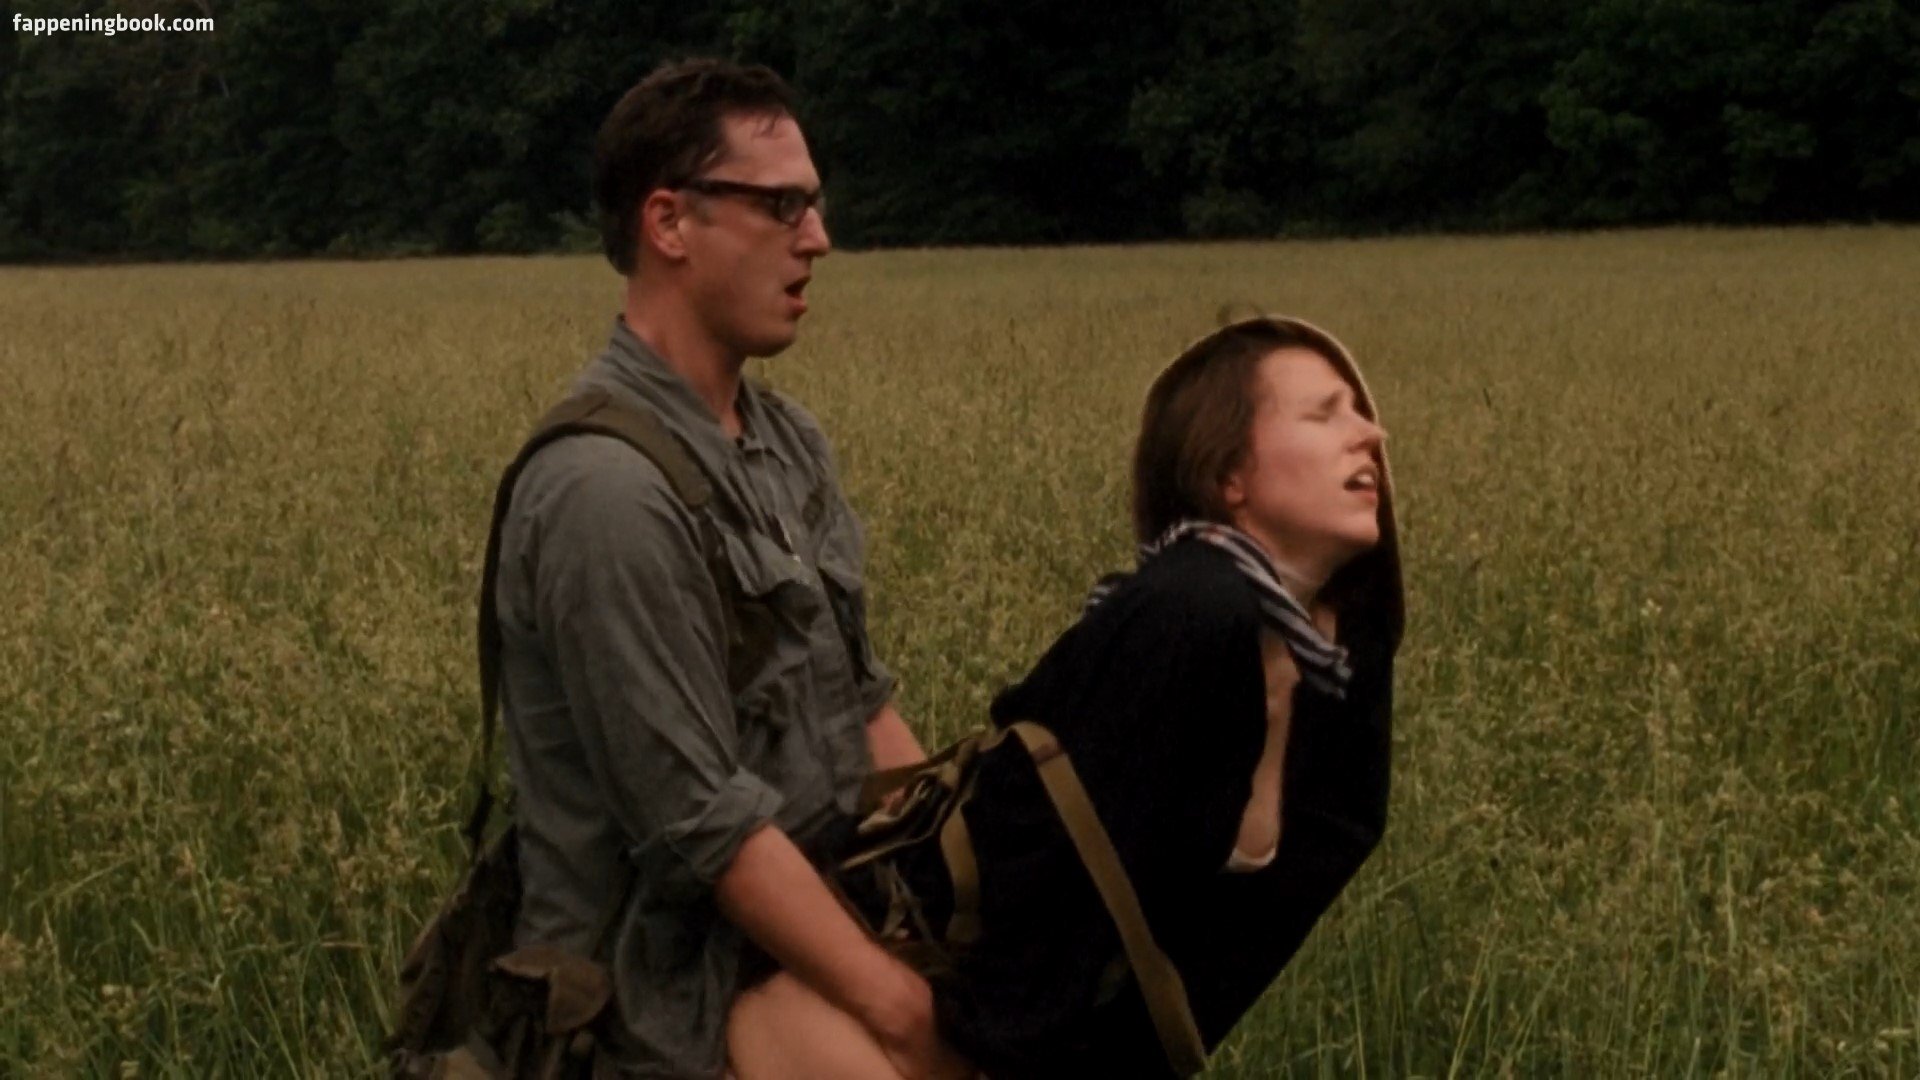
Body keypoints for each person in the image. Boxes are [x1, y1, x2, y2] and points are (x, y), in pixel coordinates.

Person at [726, 315, 1404, 1078]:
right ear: (1228, 475)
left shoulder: (1328, 667)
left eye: (1359, 411)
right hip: (850, 1036)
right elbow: (1042, 879)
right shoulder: (1187, 612)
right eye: (1323, 414)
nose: (1370, 434)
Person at [490, 58, 966, 1077]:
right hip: (658, 1018)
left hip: (800, 953)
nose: (817, 238)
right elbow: (702, 830)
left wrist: (967, 876)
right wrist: (905, 1013)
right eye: (781, 206)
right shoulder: (604, 492)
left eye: (815, 204)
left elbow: (861, 713)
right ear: (670, 223)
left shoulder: (787, 444)